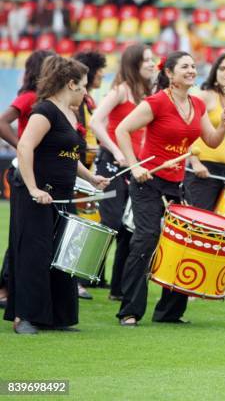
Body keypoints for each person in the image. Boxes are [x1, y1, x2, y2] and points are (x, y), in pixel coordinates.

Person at [114, 51, 225, 327]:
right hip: (148, 182)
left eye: (193, 66)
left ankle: (169, 312)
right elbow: (122, 130)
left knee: (184, 242)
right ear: (170, 74)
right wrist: (134, 166)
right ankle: (129, 310)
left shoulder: (198, 105)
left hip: (175, 184)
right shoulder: (156, 103)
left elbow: (212, 141)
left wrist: (224, 125)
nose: (192, 70)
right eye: (185, 67)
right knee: (146, 239)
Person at [4, 55, 109, 334]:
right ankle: (24, 317)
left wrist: (90, 177)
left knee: (63, 254)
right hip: (37, 194)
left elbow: (68, 155)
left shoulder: (71, 113)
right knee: (33, 254)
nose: (87, 91)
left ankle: (57, 317)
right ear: (70, 83)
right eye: (83, 85)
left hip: (61, 195)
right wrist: (33, 188)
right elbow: (25, 147)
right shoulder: (44, 111)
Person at [89, 43, 156, 301]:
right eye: (146, 60)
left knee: (130, 228)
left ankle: (118, 288)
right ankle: (86, 277)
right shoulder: (121, 90)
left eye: (152, 59)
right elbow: (96, 121)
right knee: (113, 222)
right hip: (114, 164)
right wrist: (116, 151)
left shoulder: (147, 93)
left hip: (136, 165)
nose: (151, 64)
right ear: (133, 64)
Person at [0, 49, 54, 310]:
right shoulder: (30, 98)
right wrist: (20, 144)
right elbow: (2, 121)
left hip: (39, 168)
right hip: (25, 169)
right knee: (22, 237)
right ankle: (6, 287)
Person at [184, 52, 225, 209]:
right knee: (200, 223)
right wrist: (194, 162)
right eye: (222, 68)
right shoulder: (204, 96)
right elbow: (186, 129)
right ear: (215, 73)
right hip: (203, 170)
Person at [72, 50, 107, 299]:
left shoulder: (90, 101)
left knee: (86, 222)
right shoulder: (77, 103)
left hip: (87, 168)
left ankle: (78, 278)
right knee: (76, 225)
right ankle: (73, 281)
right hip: (77, 168)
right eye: (99, 69)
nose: (102, 74)